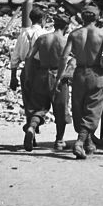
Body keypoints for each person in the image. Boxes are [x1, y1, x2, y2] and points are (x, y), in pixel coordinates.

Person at [55, 5, 103, 160]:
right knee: (93, 108)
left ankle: (88, 142)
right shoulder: (102, 34)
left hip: (79, 73)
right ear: (97, 17)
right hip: (95, 73)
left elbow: (64, 57)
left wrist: (59, 76)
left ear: (82, 17)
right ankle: (80, 142)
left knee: (79, 106)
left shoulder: (74, 34)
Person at [22, 12, 71, 152]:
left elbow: (29, 57)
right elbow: (69, 59)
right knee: (60, 109)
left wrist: (28, 76)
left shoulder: (42, 38)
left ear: (54, 25)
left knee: (38, 107)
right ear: (66, 27)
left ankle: (32, 127)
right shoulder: (66, 41)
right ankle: (59, 141)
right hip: (58, 76)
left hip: (41, 75)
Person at [9, 7, 46, 98]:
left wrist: (13, 77)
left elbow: (15, 57)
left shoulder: (23, 34)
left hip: (26, 72)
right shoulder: (45, 34)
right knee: (39, 102)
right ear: (42, 19)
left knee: (27, 101)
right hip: (40, 72)